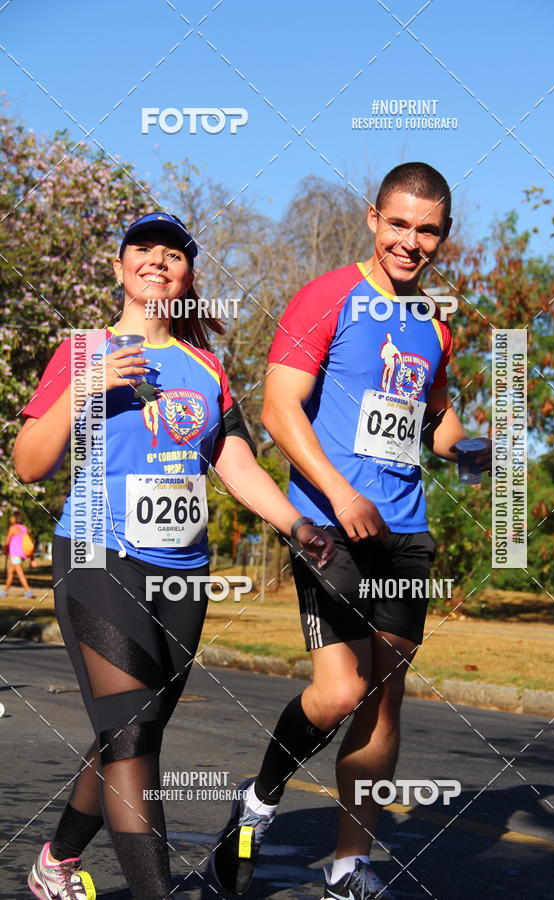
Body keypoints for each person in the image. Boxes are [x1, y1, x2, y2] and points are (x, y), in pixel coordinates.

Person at [14, 212, 334, 900]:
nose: (158, 261)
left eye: (174, 255)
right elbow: (29, 462)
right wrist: (88, 387)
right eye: (143, 250)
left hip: (184, 576)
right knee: (131, 734)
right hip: (100, 558)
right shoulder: (83, 351)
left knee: (129, 732)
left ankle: (56, 862)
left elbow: (234, 462)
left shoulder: (204, 366)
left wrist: (295, 524)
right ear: (120, 267)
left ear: (188, 276)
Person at [211, 163, 493, 899]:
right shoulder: (326, 297)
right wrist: (337, 494)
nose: (411, 241)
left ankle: (348, 865)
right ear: (373, 218)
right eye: (399, 223)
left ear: (444, 236)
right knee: (340, 692)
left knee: (384, 697)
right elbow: (278, 410)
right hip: (330, 532)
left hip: (406, 533)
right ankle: (261, 798)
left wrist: (467, 446)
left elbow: (432, 418)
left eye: (427, 229)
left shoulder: (433, 322)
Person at [1, 511, 34, 598]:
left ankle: (28, 591)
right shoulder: (24, 528)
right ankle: (5, 592)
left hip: (15, 554)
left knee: (20, 573)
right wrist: (32, 558)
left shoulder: (13, 528)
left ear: (15, 518)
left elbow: (7, 541)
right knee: (10, 573)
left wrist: (3, 550)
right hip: (21, 554)